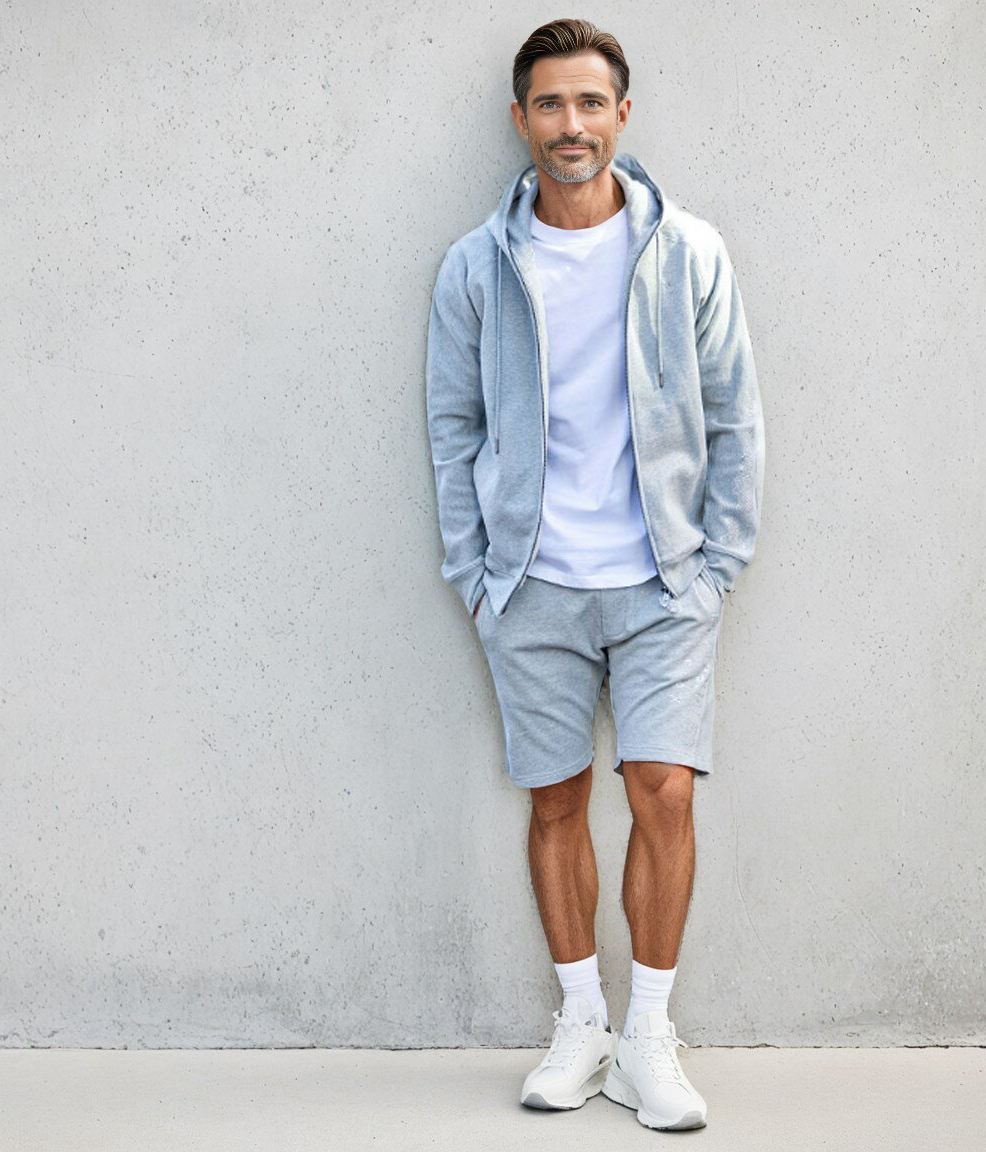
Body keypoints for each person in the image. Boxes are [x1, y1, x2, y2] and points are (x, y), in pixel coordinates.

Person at [424, 17, 764, 1132]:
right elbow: (452, 425)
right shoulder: (478, 267)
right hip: (531, 582)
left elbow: (735, 417)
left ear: (623, 113)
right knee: (556, 800)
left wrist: (716, 566)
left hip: (663, 581)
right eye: (549, 104)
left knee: (664, 792)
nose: (570, 124)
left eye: (589, 102)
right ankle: (581, 1023)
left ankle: (648, 1037)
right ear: (520, 119)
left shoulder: (688, 252)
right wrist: (478, 573)